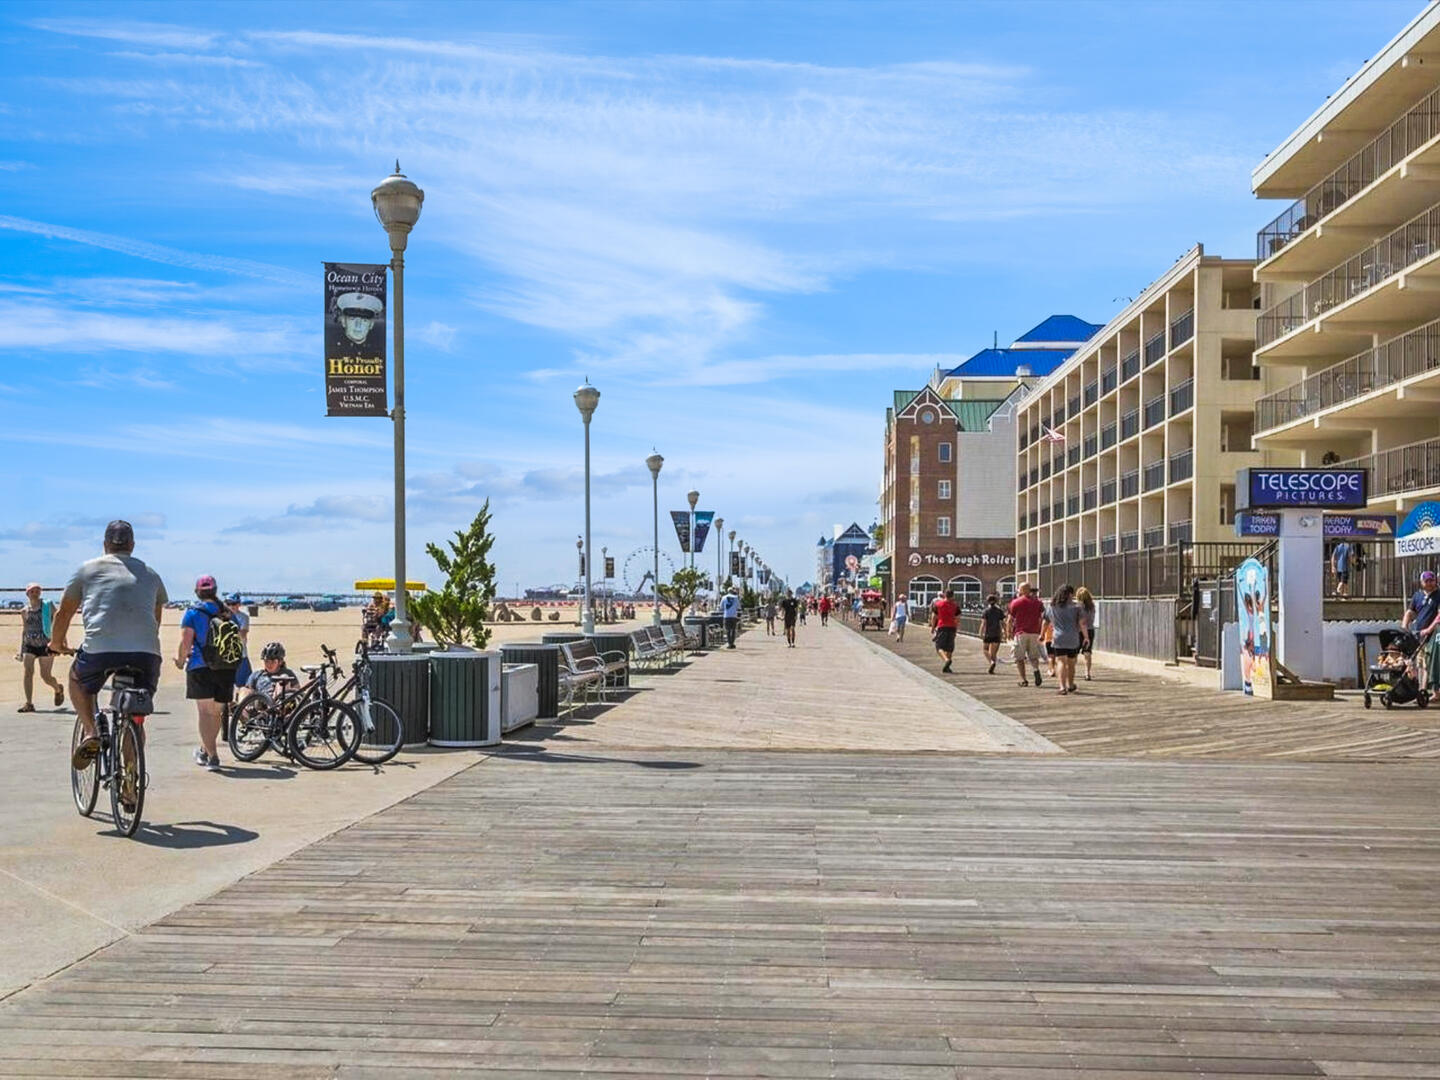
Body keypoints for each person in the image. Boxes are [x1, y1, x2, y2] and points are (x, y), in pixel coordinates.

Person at [51, 521, 167, 776]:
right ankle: (131, 776)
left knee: (77, 680)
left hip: (101, 650)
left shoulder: (86, 569)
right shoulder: (151, 574)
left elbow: (64, 613)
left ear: (105, 545)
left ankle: (90, 731)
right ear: (132, 545)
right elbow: (156, 618)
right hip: (146, 653)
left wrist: (56, 644)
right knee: (134, 715)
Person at [176, 576, 240, 772]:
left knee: (205, 713)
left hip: (200, 666)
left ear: (197, 592)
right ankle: (206, 750)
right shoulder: (227, 613)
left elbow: (186, 643)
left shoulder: (192, 613)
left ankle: (212, 756)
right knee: (216, 713)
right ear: (215, 590)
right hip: (226, 668)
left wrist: (180, 661)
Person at [16, 583, 64, 712]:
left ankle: (58, 688)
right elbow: (25, 630)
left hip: (46, 644)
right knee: (28, 672)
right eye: (32, 591)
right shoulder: (24, 611)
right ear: (27, 594)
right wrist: (21, 650)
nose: (35, 593)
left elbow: (59, 621)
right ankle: (29, 703)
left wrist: (60, 641)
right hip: (29, 645)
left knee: (46, 676)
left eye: (37, 591)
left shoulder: (47, 606)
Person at [1045, 584, 1088, 695]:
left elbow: (1046, 621)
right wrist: (1086, 637)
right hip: (1073, 638)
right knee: (1071, 663)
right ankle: (1071, 685)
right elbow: (1082, 623)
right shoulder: (1077, 607)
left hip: (1058, 638)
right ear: (1070, 594)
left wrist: (1042, 634)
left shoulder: (1052, 607)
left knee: (1061, 662)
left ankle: (1062, 687)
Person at [1404, 570, 1440, 688]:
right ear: (1421, 582)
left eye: (1431, 580)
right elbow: (1410, 612)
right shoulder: (1417, 596)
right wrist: (1404, 626)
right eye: (1426, 581)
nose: (1429, 583)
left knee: (1427, 664)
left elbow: (1439, 616)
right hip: (1419, 635)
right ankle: (1420, 689)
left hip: (1433, 635)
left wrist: (1429, 629)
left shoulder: (1438, 595)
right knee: (1419, 663)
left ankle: (1423, 689)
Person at [1007, 580, 1046, 687]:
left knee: (1019, 658)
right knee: (1034, 656)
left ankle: (1024, 680)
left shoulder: (1015, 602)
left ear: (1022, 590)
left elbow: (1010, 619)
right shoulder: (1038, 603)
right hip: (1034, 633)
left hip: (1021, 632)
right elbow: (1041, 618)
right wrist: (1040, 631)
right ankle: (1036, 670)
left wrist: (1008, 632)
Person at [225, 592, 252, 693]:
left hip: (240, 656)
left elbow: (242, 634)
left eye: (234, 604)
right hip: (224, 657)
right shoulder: (219, 617)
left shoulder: (243, 617)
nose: (231, 606)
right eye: (228, 604)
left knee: (245, 685)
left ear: (239, 604)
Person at [929, 588, 959, 674]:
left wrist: (932, 628)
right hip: (952, 627)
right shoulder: (955, 606)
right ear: (953, 596)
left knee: (939, 646)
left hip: (942, 626)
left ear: (944, 595)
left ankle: (946, 660)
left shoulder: (938, 604)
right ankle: (947, 667)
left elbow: (934, 617)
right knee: (949, 647)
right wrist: (956, 629)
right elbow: (957, 618)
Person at [1075, 586, 1098, 681]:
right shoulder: (1092, 606)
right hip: (1090, 630)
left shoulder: (1078, 607)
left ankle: (1072, 671)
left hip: (1078, 631)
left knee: (1074, 653)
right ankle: (1087, 673)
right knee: (1087, 653)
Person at [980, 593, 1006, 674]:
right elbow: (1002, 623)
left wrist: (981, 632)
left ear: (987, 601)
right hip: (997, 633)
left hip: (988, 633)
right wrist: (1005, 632)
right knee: (994, 653)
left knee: (985, 649)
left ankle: (991, 662)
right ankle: (992, 668)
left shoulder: (986, 611)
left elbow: (983, 623)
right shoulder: (999, 611)